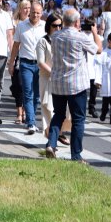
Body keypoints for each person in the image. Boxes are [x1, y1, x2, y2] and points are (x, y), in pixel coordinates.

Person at [45, 9, 102, 163]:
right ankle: (76, 155)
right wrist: (95, 32)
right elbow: (98, 50)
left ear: (63, 22)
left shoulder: (55, 36)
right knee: (78, 119)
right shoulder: (80, 37)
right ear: (77, 22)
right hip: (76, 84)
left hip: (58, 82)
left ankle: (51, 144)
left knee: (58, 114)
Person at [9, 1, 45, 134]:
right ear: (29, 12)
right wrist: (11, 63)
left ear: (41, 13)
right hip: (25, 63)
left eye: (38, 13)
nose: (35, 15)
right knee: (28, 92)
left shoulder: (45, 26)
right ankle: (31, 122)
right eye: (33, 12)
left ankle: (32, 119)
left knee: (36, 96)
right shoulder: (21, 26)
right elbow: (15, 46)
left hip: (40, 64)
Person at [36, 14, 71, 144]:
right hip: (47, 78)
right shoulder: (43, 41)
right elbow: (40, 62)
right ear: (49, 26)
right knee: (48, 108)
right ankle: (53, 137)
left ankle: (59, 131)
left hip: (61, 79)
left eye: (60, 25)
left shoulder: (63, 40)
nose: (57, 28)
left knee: (66, 110)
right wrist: (53, 73)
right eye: (54, 25)